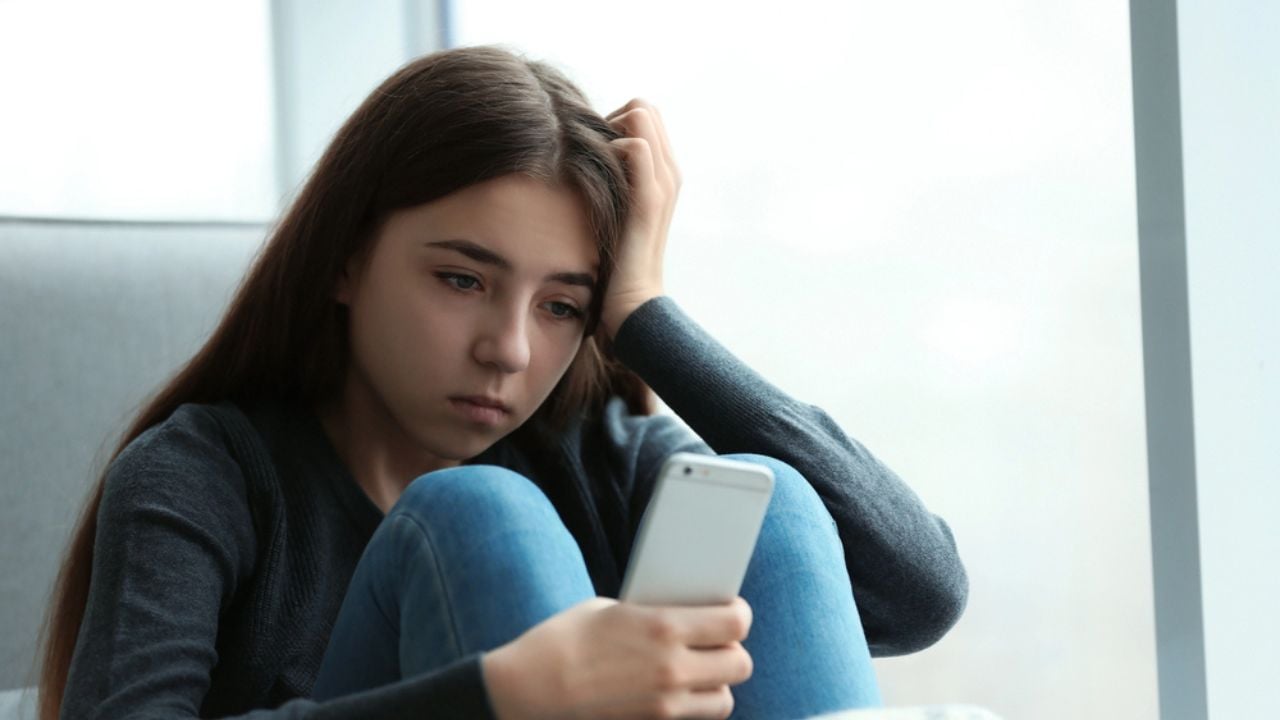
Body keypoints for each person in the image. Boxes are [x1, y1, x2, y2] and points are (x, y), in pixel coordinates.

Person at [35, 45, 968, 720]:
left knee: (766, 499)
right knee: (478, 515)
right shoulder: (203, 473)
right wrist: (504, 694)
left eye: (562, 306)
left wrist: (647, 319)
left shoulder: (601, 461)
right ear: (345, 261)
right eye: (462, 281)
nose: (510, 350)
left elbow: (919, 593)